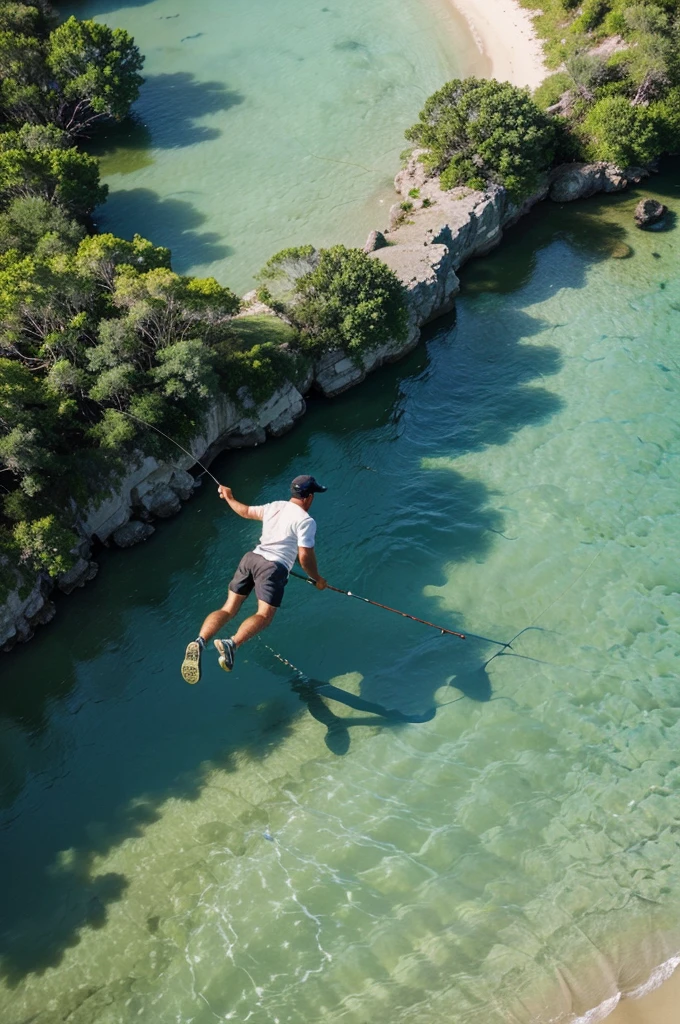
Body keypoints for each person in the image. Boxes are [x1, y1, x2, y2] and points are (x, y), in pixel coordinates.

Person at [181, 474, 328, 683]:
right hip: (272, 568)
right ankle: (232, 644)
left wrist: (229, 498)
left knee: (228, 608)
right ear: (309, 497)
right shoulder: (306, 521)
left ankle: (199, 641)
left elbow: (246, 511)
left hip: (251, 558)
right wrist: (318, 579)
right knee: (264, 615)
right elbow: (304, 556)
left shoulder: (275, 506)